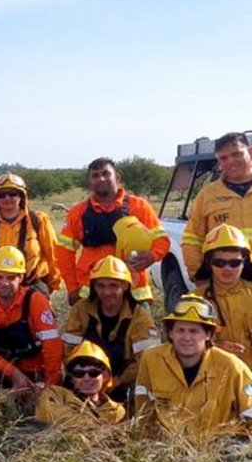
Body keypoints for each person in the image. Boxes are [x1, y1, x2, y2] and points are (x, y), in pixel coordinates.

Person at [134, 294, 252, 443]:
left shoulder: (232, 367)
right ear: (170, 333)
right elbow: (143, 410)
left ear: (208, 334)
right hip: (168, 449)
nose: (186, 337)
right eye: (180, 330)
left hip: (218, 452)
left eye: (194, 331)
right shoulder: (152, 359)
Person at [0, 246, 63, 414]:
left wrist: (50, 386)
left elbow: (53, 347)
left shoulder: (36, 301)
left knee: (41, 409)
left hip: (35, 373)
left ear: (21, 277)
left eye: (11, 277)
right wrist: (13, 374)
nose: (4, 283)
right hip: (4, 372)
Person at [56, 157, 169, 304]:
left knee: (142, 328)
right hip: (90, 293)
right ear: (89, 182)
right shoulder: (78, 212)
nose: (101, 178)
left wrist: (152, 256)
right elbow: (64, 253)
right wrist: (72, 288)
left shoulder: (139, 206)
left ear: (117, 176)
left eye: (106, 173)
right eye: (95, 175)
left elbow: (162, 241)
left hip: (133, 292)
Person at [61, 256, 159, 403]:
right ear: (94, 286)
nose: (107, 292)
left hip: (123, 383)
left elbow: (147, 361)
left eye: (113, 286)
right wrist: (83, 378)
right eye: (101, 286)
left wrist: (116, 381)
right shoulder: (80, 310)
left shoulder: (140, 318)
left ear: (125, 286)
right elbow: (68, 350)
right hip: (84, 379)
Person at [182, 132, 252, 278]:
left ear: (250, 152)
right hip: (225, 281)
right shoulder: (207, 195)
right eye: (223, 158)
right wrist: (198, 275)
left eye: (236, 154)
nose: (230, 161)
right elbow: (192, 239)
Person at [0, 173, 60, 293]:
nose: (7, 198)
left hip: (32, 287)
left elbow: (53, 255)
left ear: (22, 196)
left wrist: (52, 284)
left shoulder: (38, 221)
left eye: (13, 194)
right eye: (1, 195)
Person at [193, 224, 252, 370]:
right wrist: (214, 348)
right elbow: (180, 346)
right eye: (219, 263)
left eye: (234, 263)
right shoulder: (194, 300)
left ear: (244, 262)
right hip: (215, 378)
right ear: (209, 263)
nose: (227, 268)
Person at [34, 340, 127, 429]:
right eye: (79, 373)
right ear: (72, 378)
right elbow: (48, 414)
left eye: (93, 372)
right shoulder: (55, 394)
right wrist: (95, 427)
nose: (86, 378)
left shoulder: (117, 411)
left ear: (105, 375)